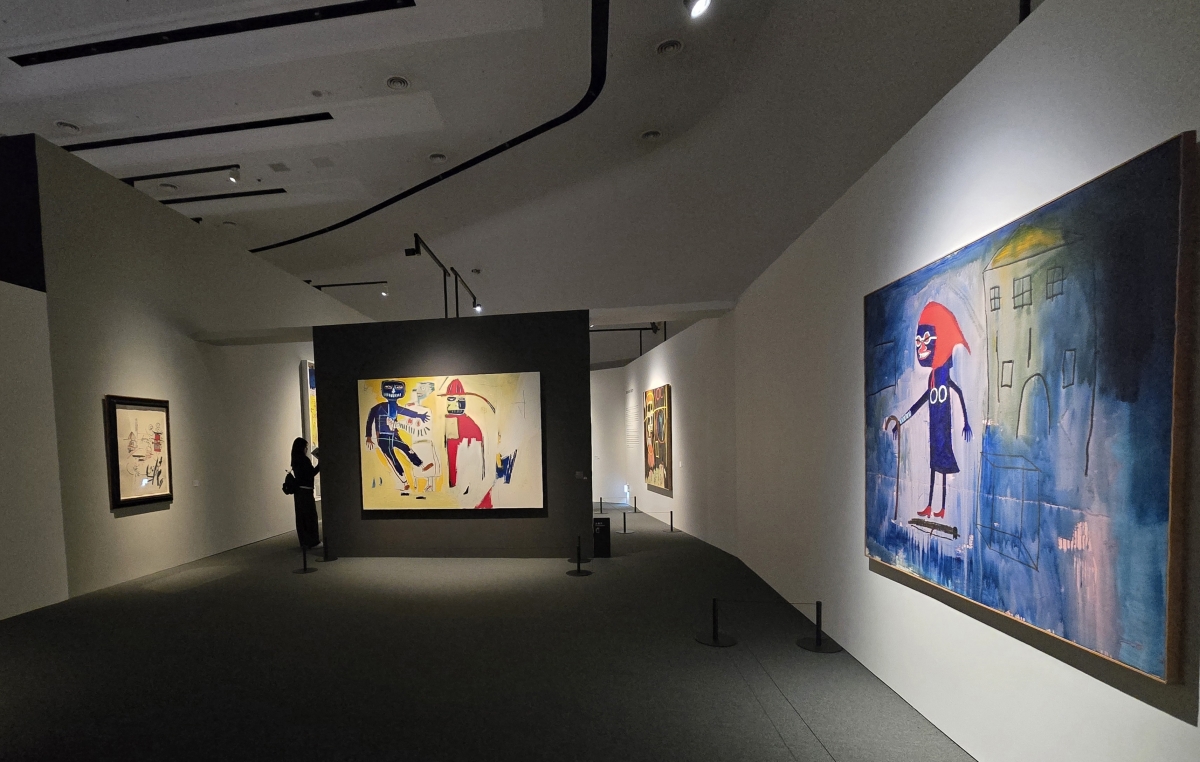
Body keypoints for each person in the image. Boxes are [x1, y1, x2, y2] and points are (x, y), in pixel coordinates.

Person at [885, 301, 972, 520]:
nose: (921, 347)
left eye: (926, 340)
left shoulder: (944, 380)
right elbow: (916, 406)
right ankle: (930, 505)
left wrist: (966, 422)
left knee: (942, 471)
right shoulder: (932, 382)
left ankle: (941, 508)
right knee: (934, 469)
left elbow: (959, 393)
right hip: (935, 434)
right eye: (919, 341)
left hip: (943, 434)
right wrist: (900, 422)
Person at [290, 437, 320, 549]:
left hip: (299, 493)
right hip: (306, 492)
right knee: (310, 517)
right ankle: (313, 541)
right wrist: (320, 464)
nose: (307, 449)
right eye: (306, 447)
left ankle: (304, 542)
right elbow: (311, 473)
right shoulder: (304, 460)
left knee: (301, 518)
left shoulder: (295, 460)